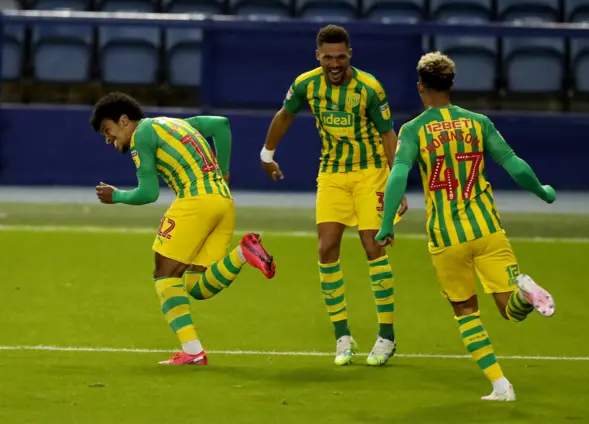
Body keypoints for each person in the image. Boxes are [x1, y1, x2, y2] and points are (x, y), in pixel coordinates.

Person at [376, 52, 557, 401]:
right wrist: (542, 191)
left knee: (465, 312)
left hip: (447, 237)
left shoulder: (414, 129)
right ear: (452, 86)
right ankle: (525, 293)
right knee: (510, 310)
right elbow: (513, 163)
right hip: (488, 229)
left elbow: (398, 175)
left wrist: (387, 225)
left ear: (420, 88)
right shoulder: (478, 122)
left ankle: (501, 386)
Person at [90, 92, 276, 365]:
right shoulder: (175, 123)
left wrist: (116, 196)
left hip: (195, 200)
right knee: (197, 286)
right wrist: (223, 171)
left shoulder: (141, 135)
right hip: (223, 201)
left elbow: (149, 193)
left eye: (108, 130)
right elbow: (220, 125)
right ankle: (243, 253)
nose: (108, 139)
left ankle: (193, 352)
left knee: (164, 273)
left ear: (124, 120)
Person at [260, 24, 408, 366]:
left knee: (373, 246)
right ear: (318, 57)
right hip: (332, 174)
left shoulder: (370, 88)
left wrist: (395, 182)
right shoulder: (306, 84)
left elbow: (389, 135)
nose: (335, 63)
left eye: (341, 56)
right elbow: (284, 116)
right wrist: (266, 154)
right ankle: (343, 336)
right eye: (328, 57)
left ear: (350, 54)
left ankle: (386, 336)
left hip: (371, 173)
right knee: (326, 248)